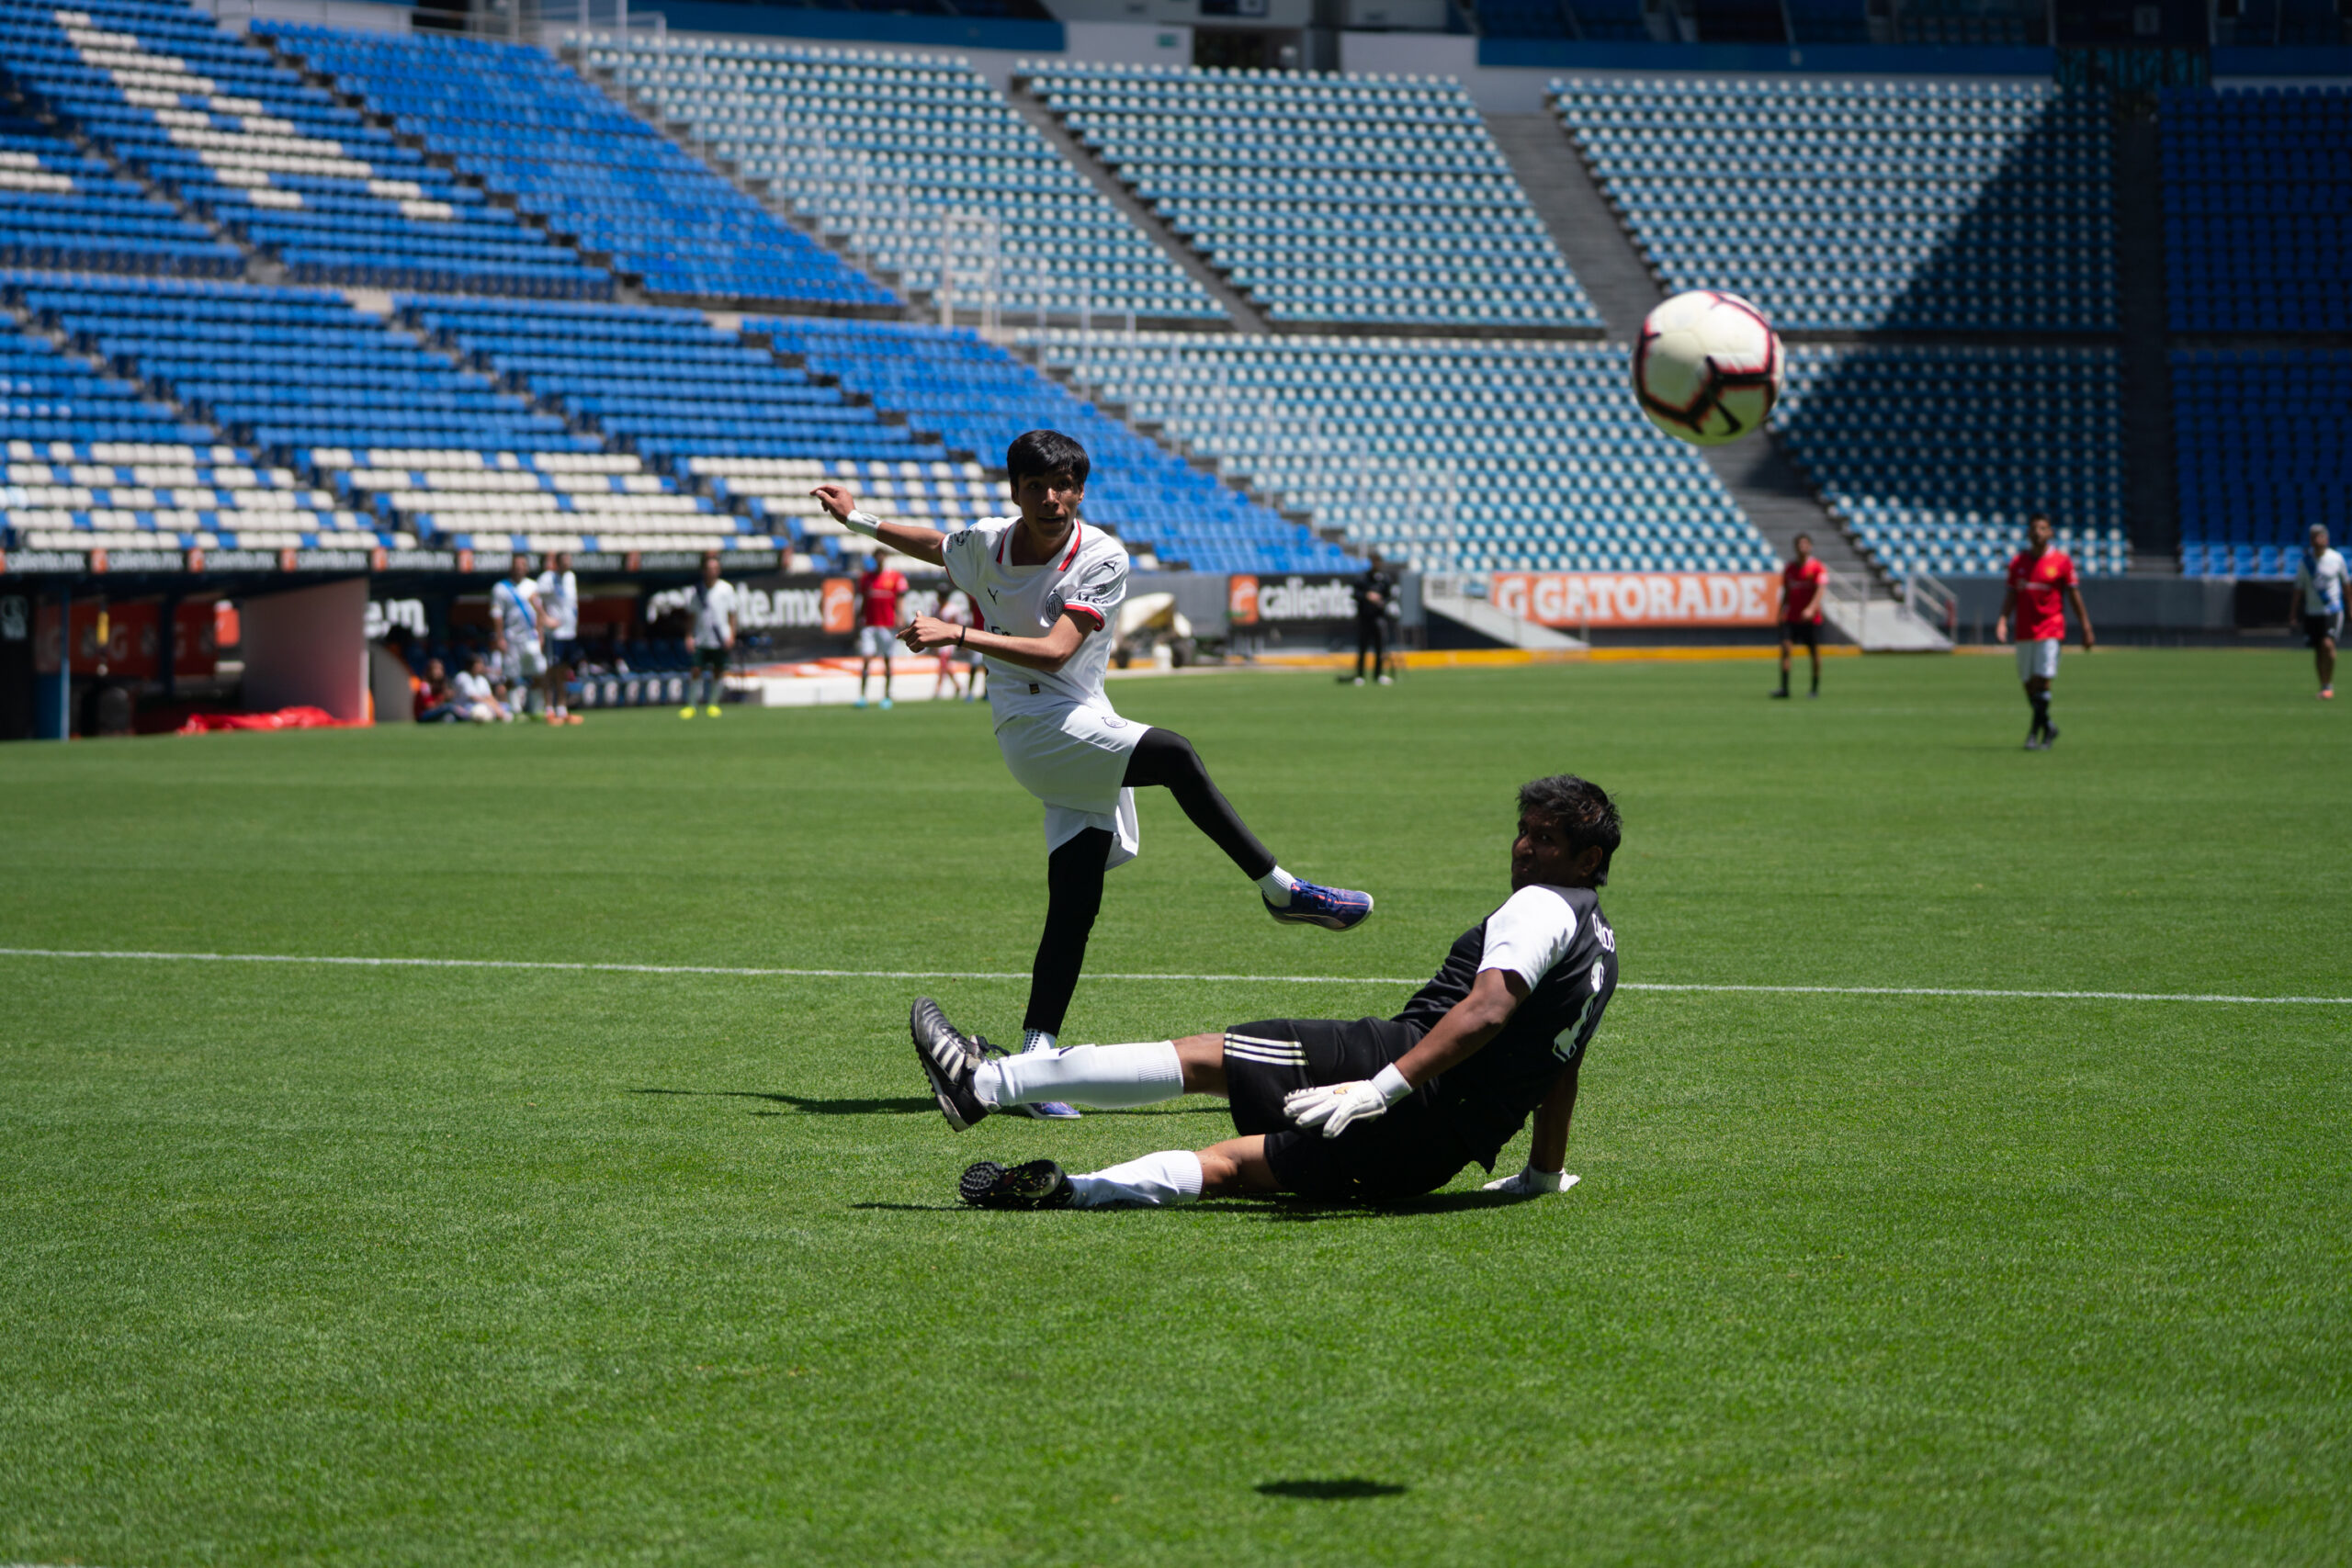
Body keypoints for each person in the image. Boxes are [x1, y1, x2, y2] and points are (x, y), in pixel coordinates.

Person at [810, 428, 1374, 1120]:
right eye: (1037, 487)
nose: (1053, 498)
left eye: (1065, 485)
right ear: (1015, 492)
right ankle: (1280, 889)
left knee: (1074, 901)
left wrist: (958, 633)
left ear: (1080, 491)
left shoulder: (1102, 555)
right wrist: (859, 519)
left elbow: (1055, 650)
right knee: (1174, 755)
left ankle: (1034, 1064)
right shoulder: (986, 542)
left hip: (1081, 714)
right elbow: (937, 544)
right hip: (1032, 728)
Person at [913, 774, 1621, 1210]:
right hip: (1430, 1159)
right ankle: (1078, 1190)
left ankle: (985, 1083)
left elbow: (1488, 1009)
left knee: (1201, 1058)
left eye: (1545, 839)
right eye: (1523, 832)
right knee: (1231, 1167)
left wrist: (1380, 1087)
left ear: (1587, 858)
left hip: (1389, 1066)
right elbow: (1561, 1068)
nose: (1523, 848)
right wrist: (1543, 1173)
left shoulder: (1543, 905)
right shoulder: (1602, 955)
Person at [1995, 513, 2094, 750]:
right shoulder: (2018, 563)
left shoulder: (2061, 562)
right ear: (2028, 533)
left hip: (2051, 628)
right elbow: (2011, 595)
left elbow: (2074, 596)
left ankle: (2035, 735)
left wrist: (2086, 626)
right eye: (2034, 528)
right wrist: (2002, 620)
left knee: (2042, 680)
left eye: (2043, 528)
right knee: (2028, 683)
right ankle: (2048, 725)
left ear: (2050, 533)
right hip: (2024, 630)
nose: (2038, 532)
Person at [681, 551, 738, 720]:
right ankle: (692, 705)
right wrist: (689, 636)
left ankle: (713, 704)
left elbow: (732, 614)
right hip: (701, 637)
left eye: (715, 568)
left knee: (718, 670)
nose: (712, 571)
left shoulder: (726, 589)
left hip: (720, 637)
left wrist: (732, 635)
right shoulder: (697, 591)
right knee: (696, 670)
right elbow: (691, 615)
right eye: (709, 568)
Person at [2291, 524, 2345, 700]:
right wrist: (2293, 614)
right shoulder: (2305, 562)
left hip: (2332, 609)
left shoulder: (2336, 558)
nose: (2317, 540)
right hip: (2312, 612)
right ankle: (2324, 685)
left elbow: (2346, 584)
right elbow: (2298, 589)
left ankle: (2328, 684)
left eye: (2320, 536)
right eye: (2314, 537)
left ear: (2326, 539)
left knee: (2327, 645)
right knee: (2318, 650)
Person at [490, 554, 546, 720]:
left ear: (527, 568)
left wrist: (540, 635)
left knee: (538, 672)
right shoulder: (500, 588)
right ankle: (515, 709)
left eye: (523, 565)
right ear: (511, 567)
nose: (520, 568)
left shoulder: (533, 586)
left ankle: (536, 709)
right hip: (511, 638)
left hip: (531, 637)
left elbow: (539, 613)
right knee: (511, 675)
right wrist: (500, 638)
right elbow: (497, 614)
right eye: (517, 565)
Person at [1775, 533, 1829, 700]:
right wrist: (1780, 611)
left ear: (1810, 547)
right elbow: (1786, 592)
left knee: (1814, 652)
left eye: (1805, 544)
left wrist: (1811, 609)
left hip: (1811, 619)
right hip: (1792, 617)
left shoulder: (1817, 567)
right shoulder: (1790, 568)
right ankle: (1784, 688)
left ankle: (1814, 688)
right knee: (1786, 649)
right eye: (1800, 544)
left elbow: (1820, 590)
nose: (1802, 547)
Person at [854, 555, 910, 710]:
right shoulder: (866, 578)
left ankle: (886, 695)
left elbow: (900, 598)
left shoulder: (894, 577)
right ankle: (862, 696)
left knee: (887, 660)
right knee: (866, 658)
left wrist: (900, 616)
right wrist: (859, 617)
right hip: (870, 624)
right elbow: (864, 600)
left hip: (887, 625)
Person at [537, 550, 582, 726]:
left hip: (569, 632)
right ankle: (549, 709)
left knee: (564, 671)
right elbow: (534, 598)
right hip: (554, 634)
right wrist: (545, 619)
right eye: (564, 560)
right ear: (556, 562)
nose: (567, 563)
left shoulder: (571, 577)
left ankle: (562, 710)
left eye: (569, 560)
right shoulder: (547, 578)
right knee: (551, 670)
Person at [1350, 556, 1396, 686]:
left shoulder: (1385, 579)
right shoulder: (1362, 578)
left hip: (1379, 617)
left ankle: (1378, 674)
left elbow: (1389, 596)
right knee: (1363, 647)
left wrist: (1381, 601)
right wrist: (1367, 596)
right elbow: (1355, 594)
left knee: (1380, 648)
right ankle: (1360, 675)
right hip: (1365, 617)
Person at [933, 587, 978, 702]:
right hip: (939, 639)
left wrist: (962, 641)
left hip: (949, 640)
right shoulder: (936, 608)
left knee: (943, 662)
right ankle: (957, 685)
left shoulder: (953, 609)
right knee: (944, 664)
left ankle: (938, 689)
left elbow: (960, 624)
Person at [451, 653, 507, 723]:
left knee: (505, 706)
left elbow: (489, 696)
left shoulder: (481, 679)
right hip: (465, 707)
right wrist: (494, 708)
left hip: (483, 704)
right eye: (479, 664)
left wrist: (498, 707)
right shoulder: (463, 677)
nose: (482, 666)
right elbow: (475, 698)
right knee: (479, 710)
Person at [414, 658, 460, 723]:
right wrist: (443, 698)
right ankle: (467, 717)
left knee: (450, 716)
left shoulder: (442, 685)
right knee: (448, 707)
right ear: (429, 671)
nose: (438, 671)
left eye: (440, 669)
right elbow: (429, 706)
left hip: (435, 714)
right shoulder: (425, 686)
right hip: (423, 715)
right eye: (435, 669)